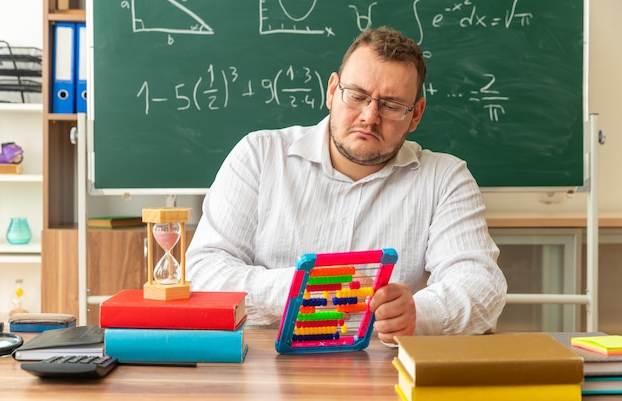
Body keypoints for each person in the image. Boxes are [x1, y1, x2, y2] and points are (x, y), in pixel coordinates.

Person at [186, 26, 507, 343]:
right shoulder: (259, 155)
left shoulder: (445, 178)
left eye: (392, 105)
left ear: (416, 115)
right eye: (357, 96)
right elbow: (203, 271)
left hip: (386, 377)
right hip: (261, 370)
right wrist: (303, 289)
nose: (369, 116)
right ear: (332, 90)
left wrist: (418, 313)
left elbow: (481, 288)